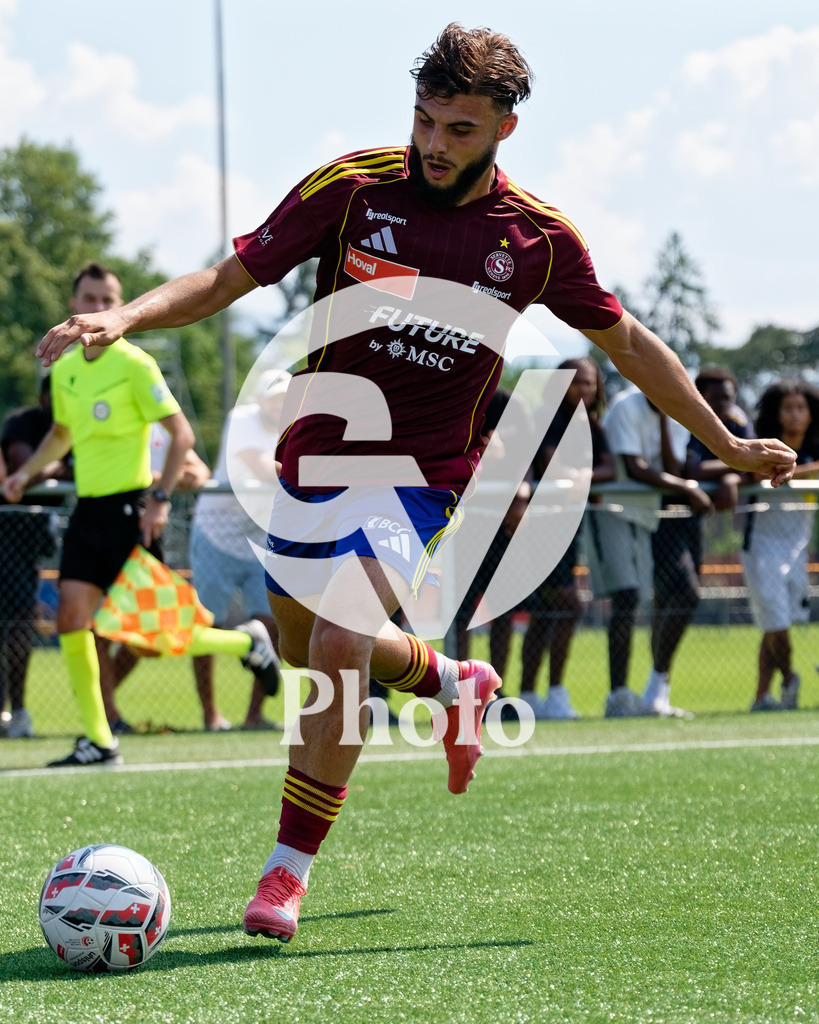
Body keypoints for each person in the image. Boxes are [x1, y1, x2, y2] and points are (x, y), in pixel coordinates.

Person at [32, 25, 795, 941]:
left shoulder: (537, 239)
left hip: (421, 478)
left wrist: (727, 442)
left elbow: (628, 343)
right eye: (425, 120)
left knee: (345, 641)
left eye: (459, 129)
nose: (434, 143)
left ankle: (285, 873)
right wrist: (129, 316)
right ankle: (454, 682)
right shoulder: (352, 186)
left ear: (507, 127)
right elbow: (230, 276)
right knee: (311, 648)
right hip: (311, 460)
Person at [2, 263, 278, 767]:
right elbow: (62, 435)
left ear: (119, 305)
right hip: (88, 512)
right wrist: (27, 474)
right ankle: (99, 741)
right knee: (70, 620)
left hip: (132, 512)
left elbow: (184, 437)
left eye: (108, 300)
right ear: (73, 305)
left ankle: (246, 641)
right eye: (89, 297)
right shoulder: (63, 369)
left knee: (155, 636)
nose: (98, 308)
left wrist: (161, 500)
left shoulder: (135, 365)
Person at [589, 386, 714, 718]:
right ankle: (618, 696)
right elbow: (633, 467)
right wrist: (687, 487)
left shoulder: (676, 405)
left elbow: (672, 464)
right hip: (617, 510)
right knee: (627, 597)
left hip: (653, 512)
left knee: (672, 597)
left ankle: (654, 693)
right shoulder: (625, 406)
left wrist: (664, 418)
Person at [189, 369, 290, 731]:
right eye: (275, 397)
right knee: (205, 624)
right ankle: (210, 715)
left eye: (286, 398)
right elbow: (266, 470)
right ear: (260, 399)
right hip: (217, 536)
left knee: (273, 624)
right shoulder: (242, 419)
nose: (281, 404)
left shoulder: (294, 425)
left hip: (260, 539)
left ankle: (253, 717)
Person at [519, 357, 615, 720]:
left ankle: (534, 696)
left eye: (589, 383)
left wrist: (584, 475)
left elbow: (611, 467)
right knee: (570, 604)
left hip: (568, 529)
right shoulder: (545, 418)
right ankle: (550, 693)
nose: (583, 389)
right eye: (575, 382)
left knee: (547, 611)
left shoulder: (591, 425)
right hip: (536, 527)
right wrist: (576, 477)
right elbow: (547, 463)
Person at [741, 380, 819, 712]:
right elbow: (749, 476)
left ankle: (762, 697)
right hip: (761, 546)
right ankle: (789, 679)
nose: (795, 415)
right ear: (776, 413)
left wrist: (794, 473)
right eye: (788, 408)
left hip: (797, 548)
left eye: (801, 408)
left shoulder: (815, 449)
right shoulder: (765, 449)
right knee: (776, 622)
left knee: (774, 625)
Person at [0, 375, 69, 738]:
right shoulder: (23, 421)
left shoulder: (79, 421)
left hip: (31, 537)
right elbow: (22, 469)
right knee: (11, 626)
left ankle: (19, 710)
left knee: (19, 624)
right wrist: (61, 466)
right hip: (6, 529)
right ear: (44, 396)